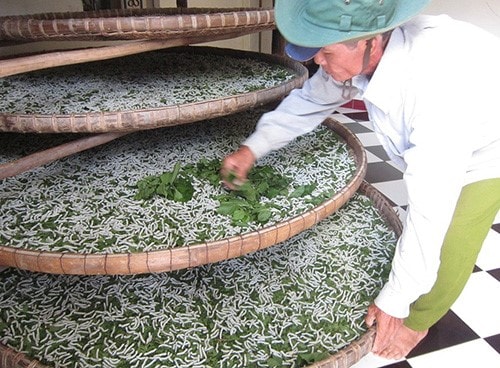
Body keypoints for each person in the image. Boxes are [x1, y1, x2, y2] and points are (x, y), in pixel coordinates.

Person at [220, 0, 500, 360]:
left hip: (490, 143)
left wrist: (396, 302)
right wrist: (252, 149)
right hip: (451, 120)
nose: (317, 61)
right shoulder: (359, 60)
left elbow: (431, 209)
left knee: (453, 233)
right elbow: (305, 104)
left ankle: (419, 323)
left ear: (371, 41)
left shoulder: (435, 86)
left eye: (325, 51)